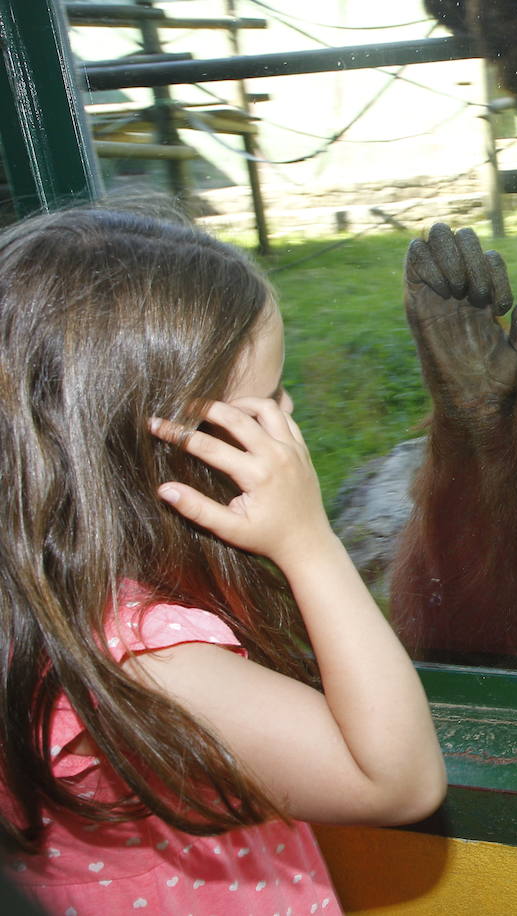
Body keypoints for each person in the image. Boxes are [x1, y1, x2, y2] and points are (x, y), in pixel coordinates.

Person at [0, 206, 447, 914]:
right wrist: (309, 545)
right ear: (158, 447)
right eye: (264, 405)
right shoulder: (145, 659)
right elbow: (396, 781)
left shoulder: (41, 604)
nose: (289, 424)